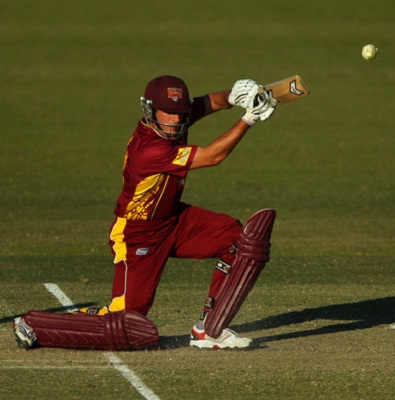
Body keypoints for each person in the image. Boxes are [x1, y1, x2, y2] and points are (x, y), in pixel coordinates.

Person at [13, 75, 277, 351]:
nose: (175, 121)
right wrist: (249, 118)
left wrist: (234, 96)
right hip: (138, 234)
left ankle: (210, 328)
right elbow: (213, 156)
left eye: (180, 113)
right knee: (128, 321)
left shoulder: (176, 120)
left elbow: (208, 102)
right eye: (168, 114)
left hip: (174, 220)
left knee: (238, 239)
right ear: (150, 110)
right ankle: (35, 323)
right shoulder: (149, 149)